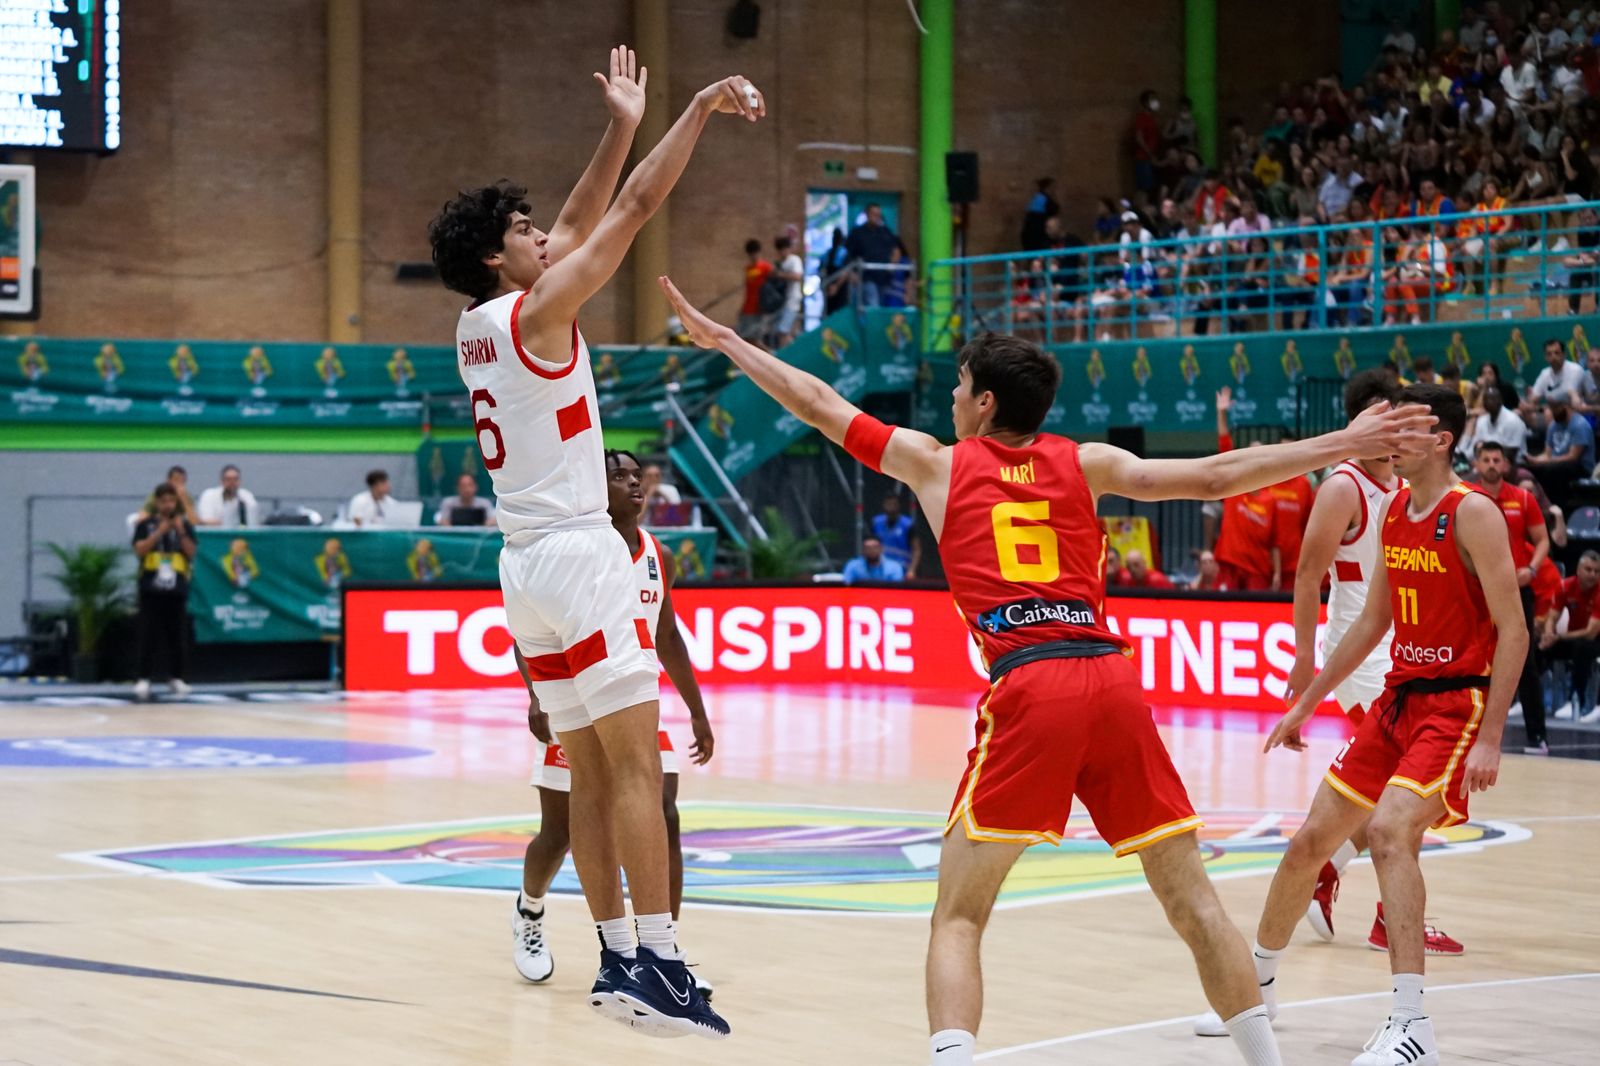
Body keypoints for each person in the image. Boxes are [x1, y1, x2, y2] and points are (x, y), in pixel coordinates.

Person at [658, 274, 1434, 1066]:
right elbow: (1213, 476)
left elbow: (818, 403)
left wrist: (727, 340)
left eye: (959, 386)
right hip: (1110, 680)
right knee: (1193, 900)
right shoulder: (1085, 461)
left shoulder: (935, 464)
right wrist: (1341, 443)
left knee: (959, 915)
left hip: (1031, 682)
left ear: (984, 402)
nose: (951, 399)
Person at [427, 47, 758, 1039]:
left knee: (587, 775)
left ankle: (616, 959)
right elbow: (633, 209)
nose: (543, 234)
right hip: (577, 556)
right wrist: (695, 108)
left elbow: (576, 224)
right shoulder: (539, 312)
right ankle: (662, 961)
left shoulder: (479, 326)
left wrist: (619, 122)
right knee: (635, 771)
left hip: (523, 569)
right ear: (500, 258)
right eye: (522, 230)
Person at [1255, 383, 1524, 1066]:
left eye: (1405, 430)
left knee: (1388, 831)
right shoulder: (1396, 508)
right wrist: (1306, 701)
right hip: (1397, 702)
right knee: (1307, 843)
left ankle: (1412, 1024)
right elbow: (1374, 621)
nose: (1391, 440)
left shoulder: (1474, 513)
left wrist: (1492, 736)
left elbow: (1515, 630)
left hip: (1454, 705)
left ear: (1441, 440)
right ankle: (1254, 990)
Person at [513, 450, 716, 992]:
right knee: (558, 833)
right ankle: (530, 910)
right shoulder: (572, 551)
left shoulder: (658, 554)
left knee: (664, 811)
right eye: (618, 476)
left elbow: (667, 635)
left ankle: (663, 951)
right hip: (575, 701)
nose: (634, 483)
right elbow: (527, 631)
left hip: (632, 701)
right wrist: (537, 696)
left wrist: (697, 710)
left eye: (636, 475)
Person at [1282, 372, 1464, 968]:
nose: (1398, 430)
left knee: (1402, 793)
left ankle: (1332, 871)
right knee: (1408, 789)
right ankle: (1386, 916)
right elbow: (1307, 575)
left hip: (1400, 646)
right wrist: (1304, 659)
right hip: (1364, 655)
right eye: (1390, 419)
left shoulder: (1406, 486)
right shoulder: (1344, 487)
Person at [1472, 441, 1550, 755]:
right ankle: (1472, 733)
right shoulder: (1467, 498)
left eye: (1497, 460)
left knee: (1524, 662)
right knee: (1475, 660)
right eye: (1486, 459)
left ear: (1505, 465)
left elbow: (1542, 540)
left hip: (1516, 591)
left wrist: (1532, 568)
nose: (1492, 464)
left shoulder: (1523, 498)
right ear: (1477, 464)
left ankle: (1537, 736)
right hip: (1477, 591)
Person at [131, 483, 197, 702]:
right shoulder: (145, 525)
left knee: (177, 635)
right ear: (157, 503)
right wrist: (159, 531)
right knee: (148, 634)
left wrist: (179, 530)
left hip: (176, 587)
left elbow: (191, 552)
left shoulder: (184, 525)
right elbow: (139, 550)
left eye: (171, 501)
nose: (168, 505)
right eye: (164, 501)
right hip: (151, 587)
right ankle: (143, 678)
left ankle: (177, 677)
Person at [1212, 388, 1280, 590]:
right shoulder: (1234, 486)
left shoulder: (1271, 498)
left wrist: (1277, 573)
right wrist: (1221, 413)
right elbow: (1225, 446)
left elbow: (1275, 542)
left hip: (1258, 570)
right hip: (1230, 565)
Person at [1542, 550, 1600, 723]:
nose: (1593, 574)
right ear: (1578, 570)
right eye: (1588, 569)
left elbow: (1590, 633)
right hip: (1573, 639)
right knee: (1537, 647)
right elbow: (1552, 617)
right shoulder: (1565, 586)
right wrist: (1548, 634)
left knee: (1583, 648)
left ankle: (1575, 700)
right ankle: (1525, 700)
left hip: (1595, 640)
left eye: (1597, 571)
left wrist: (1559, 637)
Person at [1525, 395, 1595, 507]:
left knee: (1551, 470)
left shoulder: (1580, 425)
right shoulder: (1553, 426)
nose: (1552, 412)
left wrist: (1546, 462)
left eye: (1555, 408)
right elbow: (1547, 453)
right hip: (1556, 464)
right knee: (1531, 469)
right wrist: (1534, 459)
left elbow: (1573, 457)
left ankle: (1558, 505)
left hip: (1580, 466)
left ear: (1565, 407)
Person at [845, 203, 905, 307]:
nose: (876, 217)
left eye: (878, 214)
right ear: (867, 214)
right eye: (874, 214)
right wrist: (852, 273)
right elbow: (848, 255)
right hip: (866, 277)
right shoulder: (857, 233)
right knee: (873, 303)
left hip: (884, 278)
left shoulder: (885, 232)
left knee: (881, 305)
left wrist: (892, 265)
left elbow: (896, 251)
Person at [1457, 385, 1528, 463]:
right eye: (1486, 399)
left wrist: (1484, 449)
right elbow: (1476, 446)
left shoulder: (1513, 420)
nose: (1489, 402)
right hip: (1486, 462)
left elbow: (1511, 453)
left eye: (1493, 399)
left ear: (1501, 401)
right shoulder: (1481, 420)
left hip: (1514, 463)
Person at [872, 492, 921, 577]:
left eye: (894, 504)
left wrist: (912, 569)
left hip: (902, 568)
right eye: (888, 504)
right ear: (883, 505)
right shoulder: (876, 523)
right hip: (880, 568)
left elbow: (916, 549)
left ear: (899, 506)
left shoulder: (907, 525)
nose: (891, 507)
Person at [196, 465, 260, 528]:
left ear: (240, 481)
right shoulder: (209, 495)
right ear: (221, 481)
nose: (232, 482)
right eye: (228, 479)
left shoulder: (246, 495)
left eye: (235, 479)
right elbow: (205, 521)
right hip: (213, 533)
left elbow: (253, 519)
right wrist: (228, 522)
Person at [737, 238, 774, 344]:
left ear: (759, 252)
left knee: (756, 339)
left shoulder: (766, 267)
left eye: (755, 253)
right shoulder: (748, 268)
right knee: (745, 338)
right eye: (751, 254)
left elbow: (773, 288)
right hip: (747, 307)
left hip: (759, 308)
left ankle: (770, 354)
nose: (753, 256)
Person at [770, 234, 804, 346]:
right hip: (782, 301)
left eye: (784, 249)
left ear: (789, 249)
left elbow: (798, 276)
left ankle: (789, 355)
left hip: (792, 300)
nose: (782, 252)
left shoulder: (794, 260)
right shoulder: (780, 263)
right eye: (780, 250)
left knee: (783, 331)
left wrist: (780, 275)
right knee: (786, 331)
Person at [820, 227, 853, 314]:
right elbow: (822, 271)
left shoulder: (843, 253)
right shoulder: (828, 254)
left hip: (840, 291)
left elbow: (845, 272)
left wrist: (836, 286)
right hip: (829, 288)